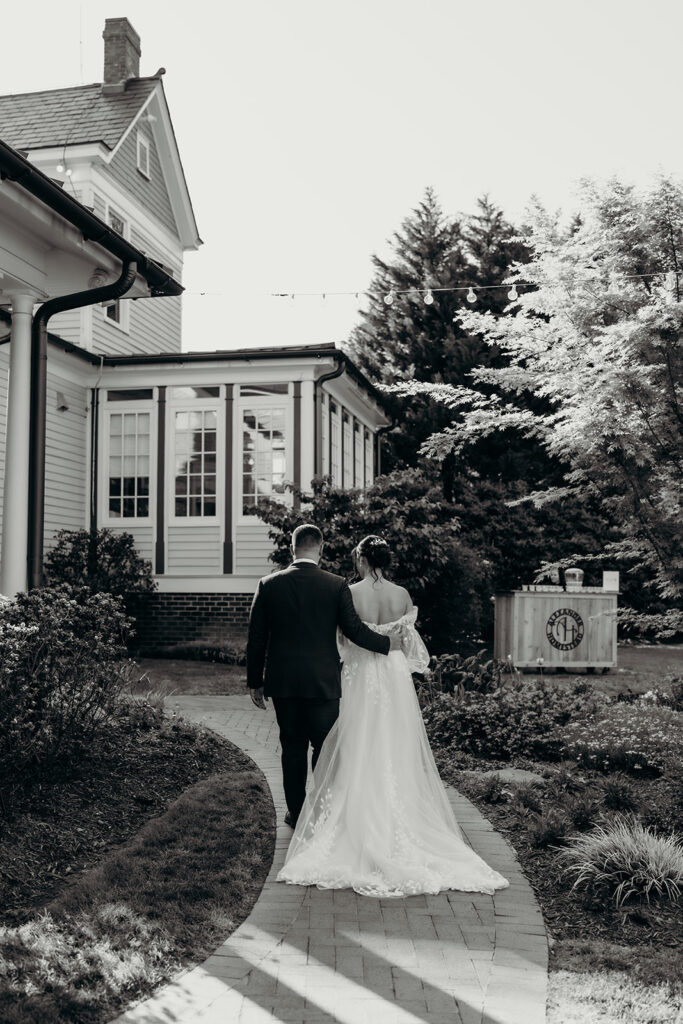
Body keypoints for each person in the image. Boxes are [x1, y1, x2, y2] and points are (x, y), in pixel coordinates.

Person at [276, 534, 509, 898]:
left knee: (356, 742)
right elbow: (411, 647)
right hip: (393, 675)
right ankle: (397, 812)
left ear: (361, 560)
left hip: (359, 674)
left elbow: (343, 639)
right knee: (394, 743)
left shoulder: (349, 592)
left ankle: (352, 815)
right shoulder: (402, 595)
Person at [247, 524, 403, 828]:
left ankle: (296, 813)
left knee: (292, 749)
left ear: (292, 548)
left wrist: (255, 682)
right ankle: (322, 811)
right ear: (321, 548)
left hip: (284, 684)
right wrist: (387, 644)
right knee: (325, 748)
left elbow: (256, 638)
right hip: (324, 683)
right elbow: (354, 630)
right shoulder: (335, 585)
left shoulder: (268, 584)